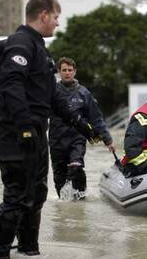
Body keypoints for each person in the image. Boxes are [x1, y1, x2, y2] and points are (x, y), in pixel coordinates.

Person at [0, 0, 97, 259]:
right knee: (17, 196)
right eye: (56, 17)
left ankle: (28, 253)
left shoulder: (40, 49)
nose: (58, 23)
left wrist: (80, 123)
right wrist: (24, 126)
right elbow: (11, 84)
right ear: (44, 15)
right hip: (16, 135)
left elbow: (53, 97)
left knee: (36, 194)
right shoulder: (21, 44)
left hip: (36, 134)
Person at [49, 57, 115, 198]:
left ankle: (80, 199)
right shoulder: (51, 92)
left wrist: (107, 140)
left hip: (76, 139)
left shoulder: (84, 93)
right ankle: (64, 206)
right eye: (64, 70)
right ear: (59, 72)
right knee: (59, 176)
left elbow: (96, 118)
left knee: (76, 167)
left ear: (75, 72)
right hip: (56, 140)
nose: (67, 73)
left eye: (70, 70)